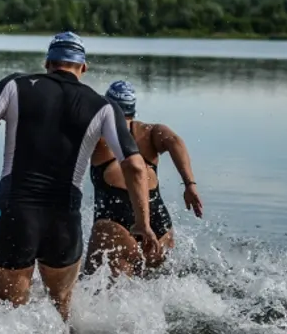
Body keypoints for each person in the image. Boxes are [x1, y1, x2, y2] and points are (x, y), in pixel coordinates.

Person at [0, 31, 159, 321]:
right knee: (61, 314)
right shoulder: (104, 106)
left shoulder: (16, 85)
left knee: (4, 316)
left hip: (17, 213)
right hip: (64, 220)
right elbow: (136, 167)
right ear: (83, 68)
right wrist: (143, 223)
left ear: (48, 63)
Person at [82, 80, 203, 278]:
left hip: (115, 221)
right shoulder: (152, 132)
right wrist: (190, 185)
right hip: (158, 220)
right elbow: (175, 141)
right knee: (155, 283)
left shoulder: (100, 136)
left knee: (93, 283)